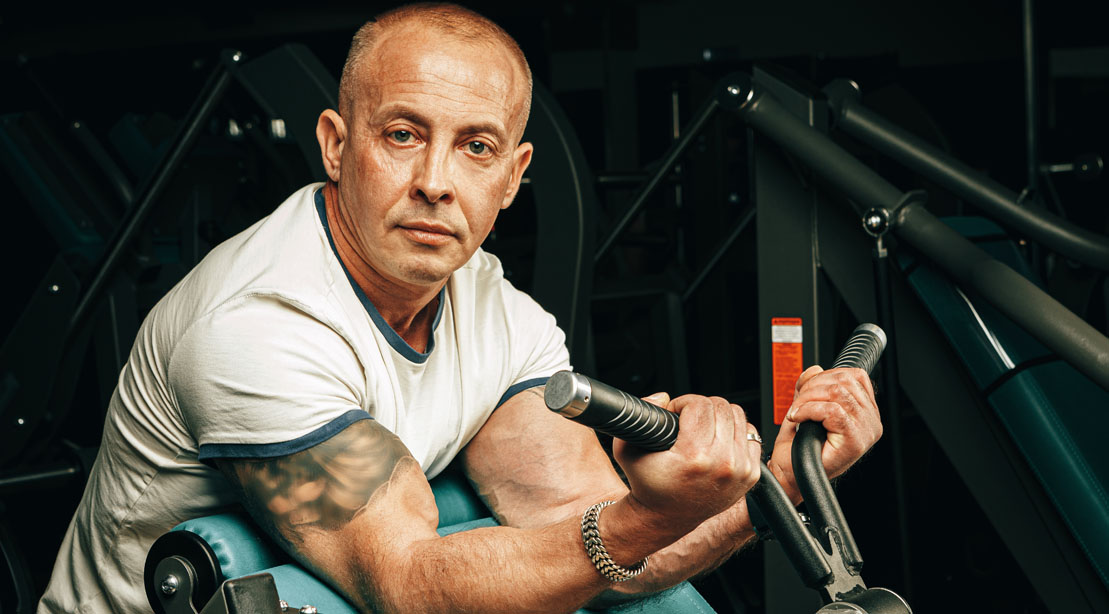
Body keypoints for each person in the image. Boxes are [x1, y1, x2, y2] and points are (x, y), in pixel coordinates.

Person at [38, 3, 883, 613]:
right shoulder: (256, 328)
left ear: (512, 178)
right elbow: (407, 587)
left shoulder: (495, 313)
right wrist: (643, 517)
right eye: (402, 134)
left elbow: (592, 546)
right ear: (336, 144)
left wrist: (781, 483)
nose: (436, 181)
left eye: (474, 147)